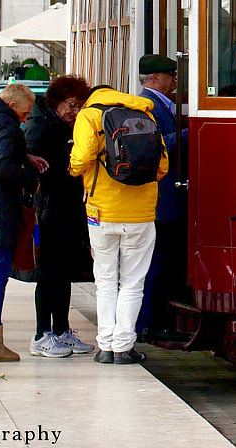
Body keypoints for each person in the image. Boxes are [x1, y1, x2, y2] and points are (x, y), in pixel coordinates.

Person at [69, 82, 168, 365]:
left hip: (102, 212)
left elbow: (82, 155)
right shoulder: (144, 114)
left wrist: (75, 169)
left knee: (105, 280)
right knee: (133, 283)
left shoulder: (89, 116)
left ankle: (106, 347)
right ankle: (125, 347)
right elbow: (162, 166)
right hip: (141, 214)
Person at [20, 75, 94, 359]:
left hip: (65, 208)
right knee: (48, 272)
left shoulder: (61, 124)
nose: (74, 112)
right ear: (57, 101)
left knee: (63, 273)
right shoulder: (41, 127)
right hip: (48, 211)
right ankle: (42, 334)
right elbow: (41, 171)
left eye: (79, 106)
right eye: (71, 105)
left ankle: (61, 330)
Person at [0, 81, 45, 363]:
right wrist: (31, 179)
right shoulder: (5, 124)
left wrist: (23, 156)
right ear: (13, 106)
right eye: (26, 114)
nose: (26, 120)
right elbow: (2, 165)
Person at [136, 55, 190, 348]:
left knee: (162, 262)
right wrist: (190, 132)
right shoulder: (149, 106)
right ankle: (150, 323)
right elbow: (155, 142)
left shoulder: (158, 104)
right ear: (155, 78)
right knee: (157, 263)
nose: (175, 79)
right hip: (164, 198)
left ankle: (152, 321)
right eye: (171, 74)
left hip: (168, 198)